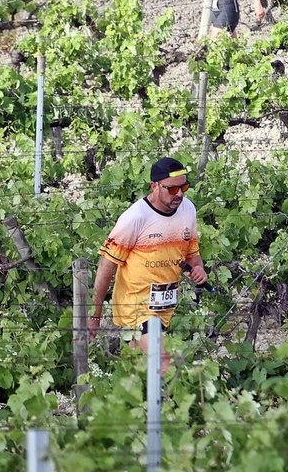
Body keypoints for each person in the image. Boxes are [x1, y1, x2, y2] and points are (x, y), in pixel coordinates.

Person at [88, 157, 207, 373]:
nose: (179, 194)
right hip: (135, 307)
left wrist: (198, 269)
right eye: (172, 189)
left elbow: (192, 255)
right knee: (165, 367)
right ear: (154, 186)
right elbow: (106, 266)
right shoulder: (135, 218)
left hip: (164, 308)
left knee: (143, 377)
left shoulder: (188, 209)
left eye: (184, 187)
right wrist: (95, 315)